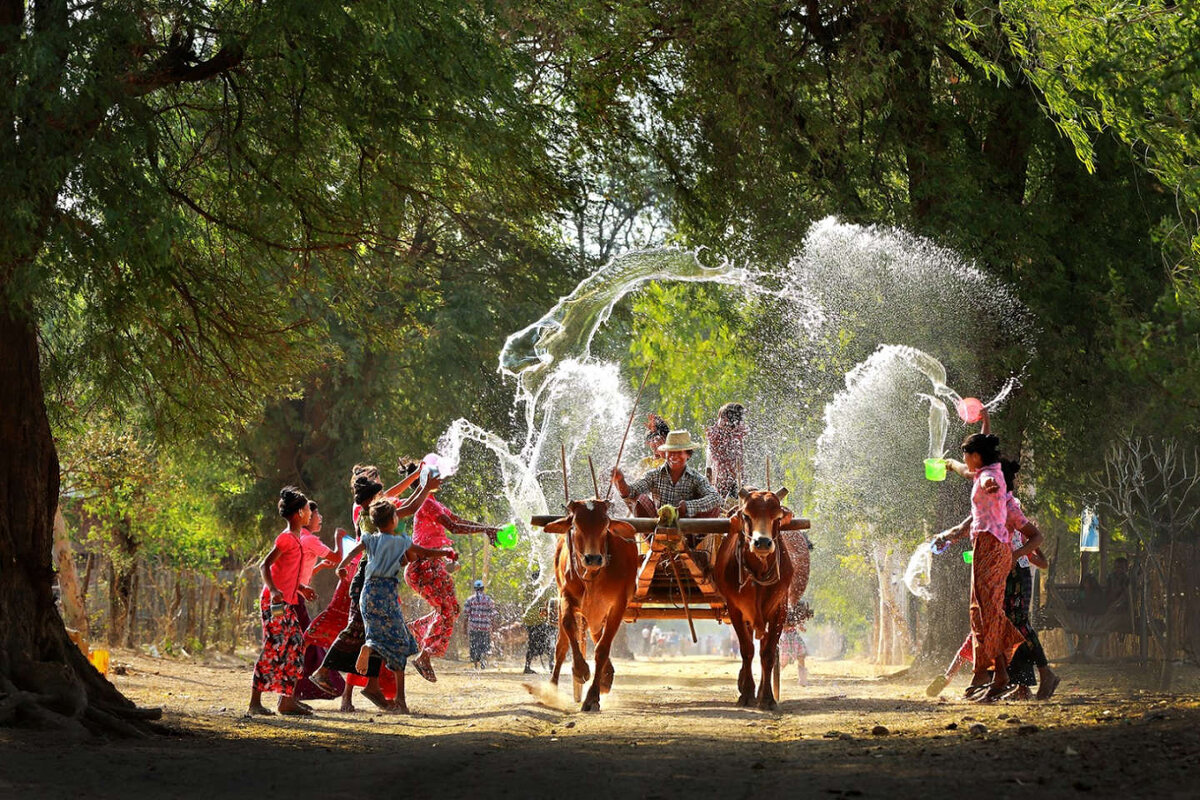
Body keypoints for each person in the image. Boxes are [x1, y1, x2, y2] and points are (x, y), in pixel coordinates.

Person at [308, 463, 440, 709]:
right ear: (373, 497)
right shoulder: (372, 515)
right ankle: (325, 670)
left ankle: (370, 686)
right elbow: (409, 507)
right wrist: (424, 484)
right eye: (380, 493)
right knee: (358, 631)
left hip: (368, 580)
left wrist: (420, 482)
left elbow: (405, 502)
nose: (385, 497)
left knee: (370, 634)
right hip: (369, 581)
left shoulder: (370, 512)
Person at [336, 499, 453, 714]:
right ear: (393, 520)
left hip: (368, 592)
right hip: (387, 592)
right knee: (400, 642)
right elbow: (423, 552)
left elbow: (354, 552)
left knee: (381, 634)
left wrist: (342, 566)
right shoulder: (401, 541)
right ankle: (399, 698)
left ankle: (372, 646)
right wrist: (445, 553)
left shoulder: (370, 538)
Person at [935, 424, 1024, 702]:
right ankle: (993, 674)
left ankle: (1000, 675)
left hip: (991, 546)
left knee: (988, 613)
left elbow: (987, 482)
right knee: (981, 612)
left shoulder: (989, 477)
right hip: (986, 546)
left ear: (976, 456)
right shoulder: (984, 470)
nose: (964, 461)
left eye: (965, 455)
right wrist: (949, 464)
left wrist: (989, 485)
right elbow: (968, 472)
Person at [405, 472, 499, 682]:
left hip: (432, 565)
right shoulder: (427, 504)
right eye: (435, 475)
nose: (441, 478)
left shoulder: (434, 503)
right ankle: (424, 653)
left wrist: (486, 529)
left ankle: (416, 631)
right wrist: (486, 529)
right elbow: (454, 527)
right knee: (448, 610)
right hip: (423, 566)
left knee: (452, 610)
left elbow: (456, 520)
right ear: (425, 482)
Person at [247, 487, 316, 716]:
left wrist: (302, 589)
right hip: (274, 603)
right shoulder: (286, 538)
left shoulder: (297, 539)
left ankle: (286, 701)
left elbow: (287, 573)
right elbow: (264, 565)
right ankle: (255, 703)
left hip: (286, 601)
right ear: (299, 512)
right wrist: (274, 589)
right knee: (274, 645)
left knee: (296, 643)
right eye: (307, 509)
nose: (310, 513)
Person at [293, 501, 348, 701]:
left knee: (306, 642)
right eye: (317, 514)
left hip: (296, 595)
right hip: (293, 597)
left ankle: (296, 691)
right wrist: (339, 538)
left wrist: (319, 568)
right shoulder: (309, 539)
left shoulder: (303, 537)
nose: (320, 518)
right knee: (307, 643)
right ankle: (298, 690)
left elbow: (301, 574)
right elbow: (338, 556)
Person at [611, 430, 721, 520]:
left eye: (679, 452)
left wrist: (686, 507)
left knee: (714, 507)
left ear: (688, 454)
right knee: (640, 499)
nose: (674, 456)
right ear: (665, 453)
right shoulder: (653, 475)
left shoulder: (696, 479)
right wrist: (620, 481)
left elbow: (715, 498)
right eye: (671, 452)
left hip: (688, 531)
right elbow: (631, 492)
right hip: (657, 528)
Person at [706, 402, 748, 501]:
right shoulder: (718, 434)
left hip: (732, 479)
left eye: (720, 417)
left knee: (734, 498)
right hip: (722, 479)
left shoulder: (734, 435)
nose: (717, 422)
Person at [522, 573, 558, 674]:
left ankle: (529, 666)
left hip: (533, 618)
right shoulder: (549, 589)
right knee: (542, 643)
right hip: (535, 619)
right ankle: (551, 666)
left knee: (537, 643)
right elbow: (553, 604)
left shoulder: (546, 589)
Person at [462, 579, 499, 669]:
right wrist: (494, 626)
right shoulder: (488, 599)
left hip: (474, 627)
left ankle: (475, 665)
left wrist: (464, 627)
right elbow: (493, 614)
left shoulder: (470, 600)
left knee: (474, 645)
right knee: (484, 645)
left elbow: (466, 615)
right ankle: (483, 662)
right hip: (485, 627)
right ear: (483, 588)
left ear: (475, 589)